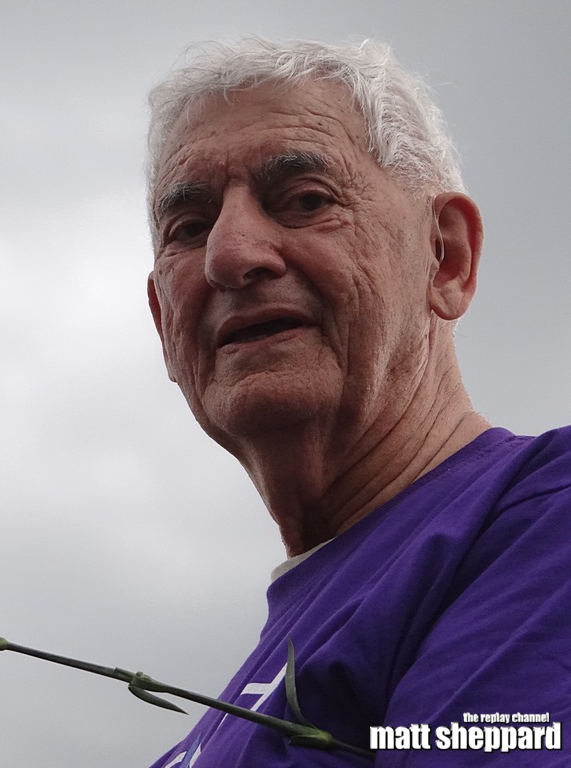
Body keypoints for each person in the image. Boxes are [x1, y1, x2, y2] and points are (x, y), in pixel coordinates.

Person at [144, 38, 571, 766]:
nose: (230, 255)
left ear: (447, 257)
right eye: (189, 228)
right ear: (163, 322)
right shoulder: (212, 723)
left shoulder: (542, 522)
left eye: (305, 200)